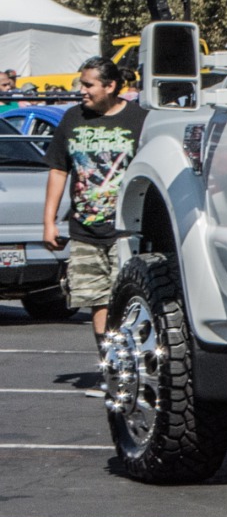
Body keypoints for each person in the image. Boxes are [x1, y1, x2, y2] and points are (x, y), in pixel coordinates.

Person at [42, 57, 146, 372]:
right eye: (81, 84)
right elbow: (59, 170)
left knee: (127, 300)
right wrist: (49, 221)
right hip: (85, 229)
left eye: (88, 85)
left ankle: (133, 366)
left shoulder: (139, 119)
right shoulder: (73, 118)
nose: (81, 91)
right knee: (97, 300)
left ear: (110, 86)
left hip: (126, 230)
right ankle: (111, 369)